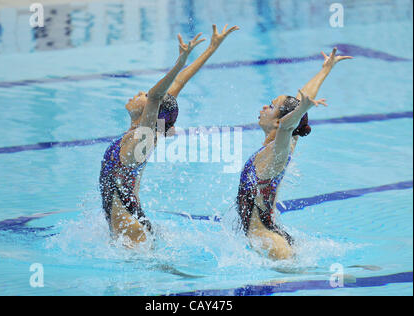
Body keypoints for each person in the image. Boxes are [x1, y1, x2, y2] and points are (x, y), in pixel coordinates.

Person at [100, 25, 239, 247]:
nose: (139, 94)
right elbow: (177, 84)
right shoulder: (148, 130)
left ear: (151, 111)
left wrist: (180, 62)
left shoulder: (142, 139)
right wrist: (211, 48)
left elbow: (157, 96)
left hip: (131, 229)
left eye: (144, 95)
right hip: (130, 221)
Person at [236, 48, 353, 260]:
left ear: (280, 121)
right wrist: (325, 70)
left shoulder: (278, 151)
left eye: (271, 106)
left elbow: (289, 122)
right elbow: (301, 99)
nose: (264, 107)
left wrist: (299, 111)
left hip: (270, 243)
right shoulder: (285, 143)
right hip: (271, 235)